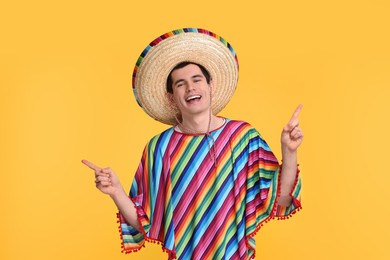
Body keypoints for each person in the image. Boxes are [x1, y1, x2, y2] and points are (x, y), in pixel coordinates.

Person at [82, 28, 303, 260]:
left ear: (211, 86)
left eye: (197, 80)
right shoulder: (159, 149)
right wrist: (116, 191)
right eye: (180, 84)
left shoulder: (243, 138)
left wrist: (289, 152)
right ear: (171, 96)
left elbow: (282, 199)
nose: (190, 88)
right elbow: (143, 221)